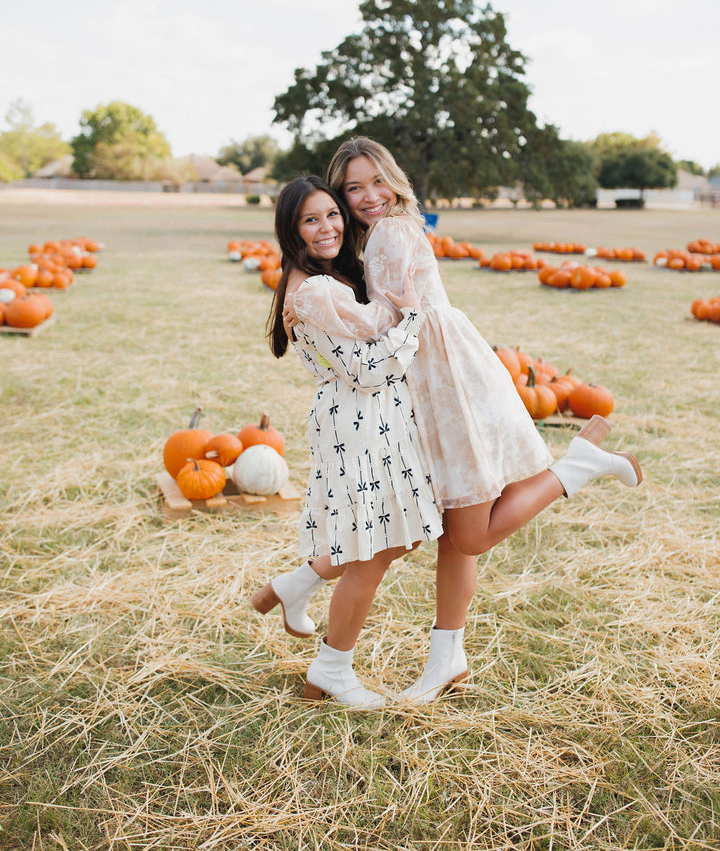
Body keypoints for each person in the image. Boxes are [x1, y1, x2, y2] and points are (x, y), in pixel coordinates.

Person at [277, 138, 642, 704]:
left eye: (376, 181)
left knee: (466, 533)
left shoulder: (394, 230)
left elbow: (388, 316)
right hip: (422, 381)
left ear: (393, 179)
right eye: (353, 187)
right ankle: (447, 657)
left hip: (446, 382)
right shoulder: (377, 235)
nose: (368, 196)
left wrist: (322, 301)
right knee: (447, 534)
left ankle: (577, 468)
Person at [251, 175, 443, 708]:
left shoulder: (331, 279)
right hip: (356, 423)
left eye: (332, 214)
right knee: (373, 551)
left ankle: (296, 584)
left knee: (401, 537)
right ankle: (331, 670)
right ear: (291, 231)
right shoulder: (311, 290)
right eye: (310, 220)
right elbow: (368, 369)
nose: (328, 226)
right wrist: (413, 318)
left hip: (378, 420)